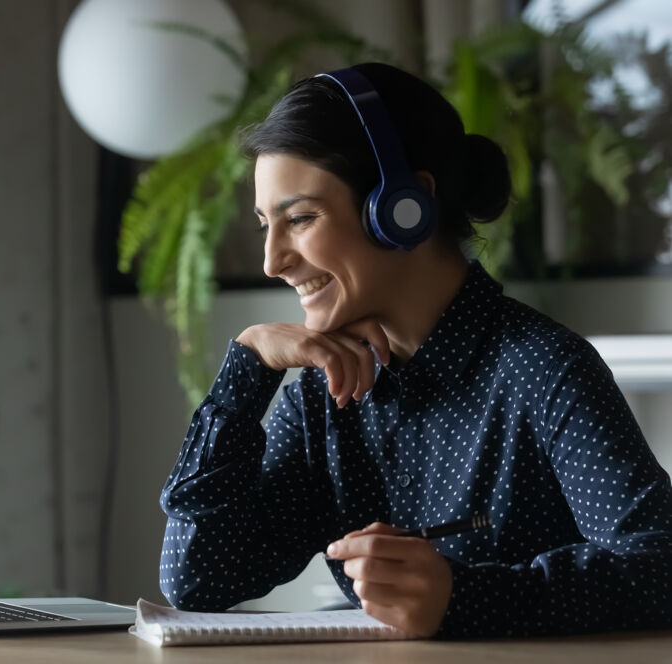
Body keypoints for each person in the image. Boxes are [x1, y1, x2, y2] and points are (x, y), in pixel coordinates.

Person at [157, 62, 672, 638]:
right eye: (265, 227)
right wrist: (246, 370)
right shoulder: (324, 394)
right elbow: (198, 579)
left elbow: (658, 567)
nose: (272, 261)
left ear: (404, 209)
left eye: (300, 218)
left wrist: (462, 598)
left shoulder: (543, 367)